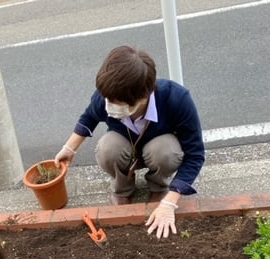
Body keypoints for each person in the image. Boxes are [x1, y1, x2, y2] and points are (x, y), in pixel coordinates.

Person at [54, 45, 205, 238]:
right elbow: (88, 118)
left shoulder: (176, 98)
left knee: (165, 152)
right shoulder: (108, 94)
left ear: (144, 96)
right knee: (107, 149)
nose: (110, 106)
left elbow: (195, 155)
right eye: (109, 100)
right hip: (124, 145)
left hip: (158, 147)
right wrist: (69, 148)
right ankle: (122, 189)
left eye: (120, 104)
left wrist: (170, 202)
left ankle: (159, 187)